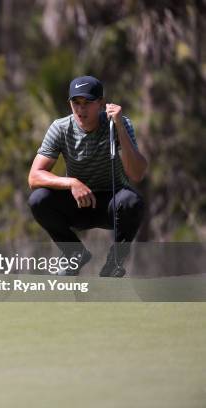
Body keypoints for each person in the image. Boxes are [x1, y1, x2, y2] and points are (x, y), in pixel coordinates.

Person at [27, 75, 148, 277]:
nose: (81, 110)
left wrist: (119, 127)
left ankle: (114, 262)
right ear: (70, 103)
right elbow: (34, 177)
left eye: (87, 103)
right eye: (76, 103)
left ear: (100, 103)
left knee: (132, 202)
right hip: (79, 204)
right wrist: (71, 183)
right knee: (38, 200)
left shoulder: (118, 124)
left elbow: (137, 173)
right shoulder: (61, 127)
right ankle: (75, 253)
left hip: (112, 204)